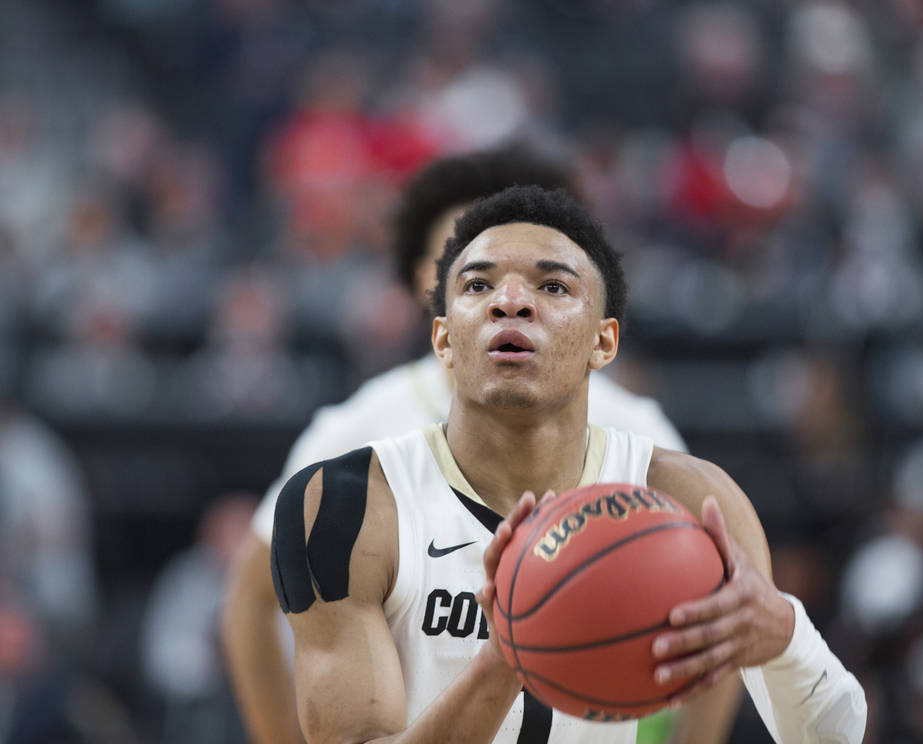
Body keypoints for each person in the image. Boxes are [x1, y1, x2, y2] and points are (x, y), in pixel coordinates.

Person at [270, 185, 867, 743]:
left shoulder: (688, 501)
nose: (511, 301)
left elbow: (833, 734)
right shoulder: (348, 504)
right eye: (478, 286)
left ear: (604, 343)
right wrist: (505, 658)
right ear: (444, 339)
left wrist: (787, 635)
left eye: (553, 287)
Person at [220, 146, 687, 744]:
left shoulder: (640, 435)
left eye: (542, 273)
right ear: (427, 280)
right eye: (476, 265)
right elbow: (248, 601)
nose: (512, 293)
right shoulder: (354, 432)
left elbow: (713, 620)